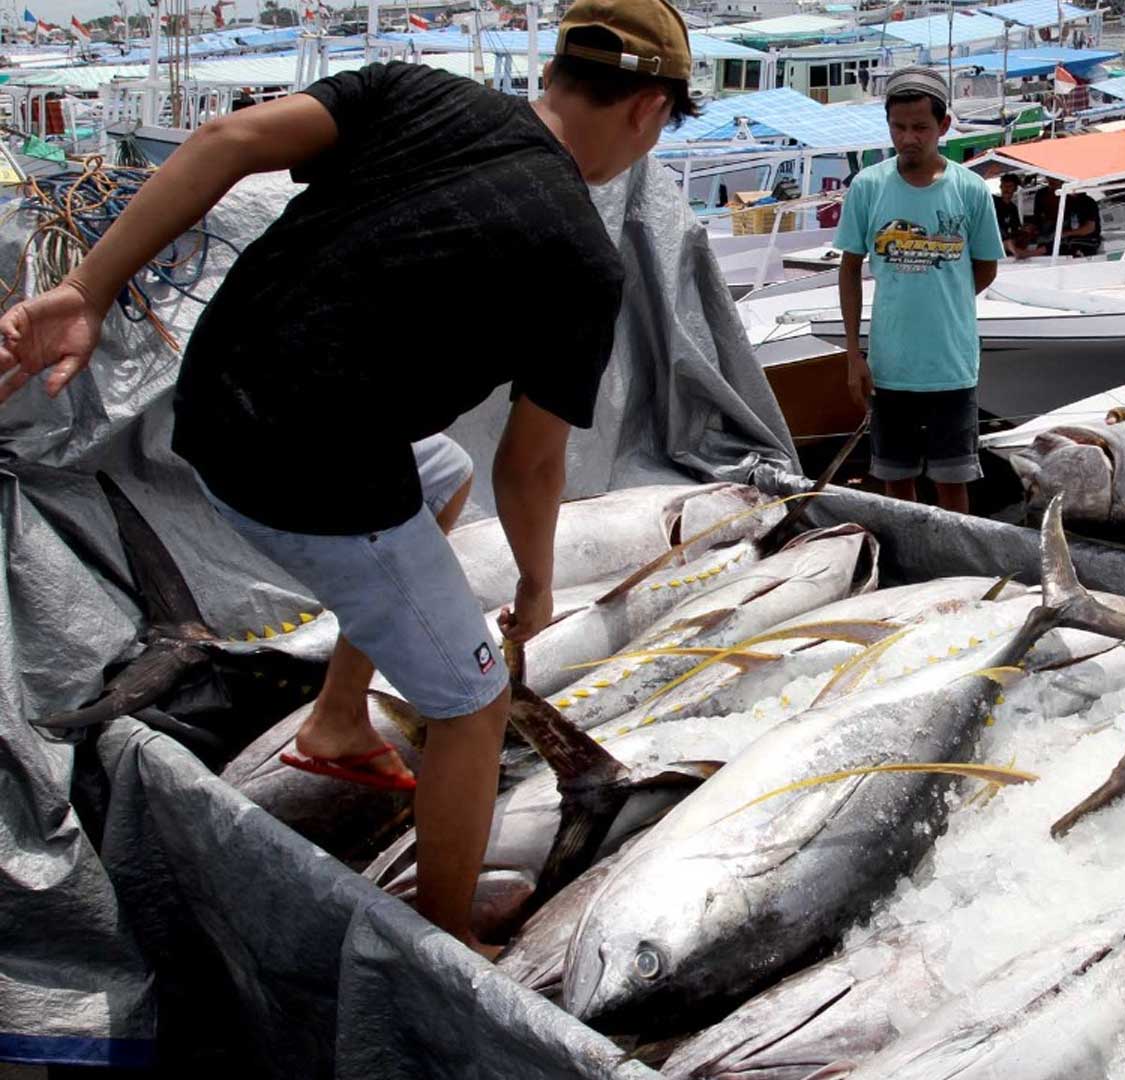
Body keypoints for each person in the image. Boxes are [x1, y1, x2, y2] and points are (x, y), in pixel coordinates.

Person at [0, 2, 696, 955]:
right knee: (472, 703)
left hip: (210, 409)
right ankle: (449, 940)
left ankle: (336, 723)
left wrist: (86, 290)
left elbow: (225, 138)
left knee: (438, 472)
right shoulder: (580, 257)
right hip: (304, 476)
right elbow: (531, 465)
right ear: (650, 109)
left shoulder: (419, 90)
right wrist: (534, 590)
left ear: (560, 71)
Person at [837, 67, 1004, 514]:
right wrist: (854, 354)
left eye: (920, 128)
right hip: (890, 366)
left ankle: (958, 576)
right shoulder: (868, 187)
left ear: (944, 127)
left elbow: (984, 269)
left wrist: (940, 295)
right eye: (899, 127)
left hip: (952, 366)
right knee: (898, 485)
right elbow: (849, 269)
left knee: (953, 485)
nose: (908, 138)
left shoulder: (971, 191)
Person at [1030, 176, 1103, 258]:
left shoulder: (1088, 202)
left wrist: (1066, 233)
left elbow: (1089, 228)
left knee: (1062, 244)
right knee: (1052, 241)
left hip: (1088, 239)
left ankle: (1029, 254)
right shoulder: (1067, 201)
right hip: (1069, 237)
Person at [993, 171, 1024, 251]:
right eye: (1004, 186)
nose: (1006, 189)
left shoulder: (1013, 208)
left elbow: (1015, 228)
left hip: (1005, 240)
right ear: (1000, 187)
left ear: (1015, 189)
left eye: (1010, 186)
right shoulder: (992, 201)